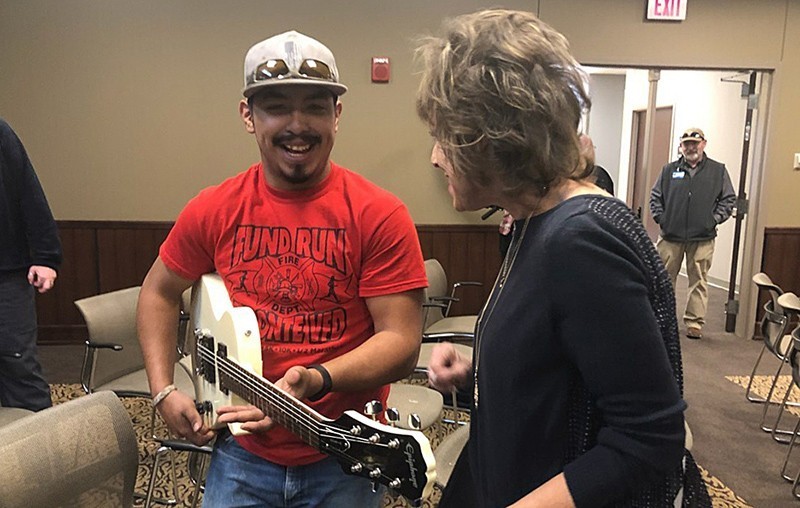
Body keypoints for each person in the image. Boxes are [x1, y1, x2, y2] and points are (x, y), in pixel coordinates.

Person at [416, 9, 710, 507]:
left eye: (444, 137)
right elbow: (570, 376)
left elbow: (649, 438)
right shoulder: (535, 220)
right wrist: (481, 374)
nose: (435, 157)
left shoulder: (581, 239)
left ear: (493, 139)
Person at [136, 30, 427, 507]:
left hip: (343, 453)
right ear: (248, 115)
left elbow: (400, 342)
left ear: (337, 115)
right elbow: (158, 292)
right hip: (241, 452)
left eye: (315, 107)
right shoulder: (214, 208)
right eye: (276, 107)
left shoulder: (379, 214)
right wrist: (163, 389)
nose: (298, 125)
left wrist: (313, 378)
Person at [650, 128, 735, 340]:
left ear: (703, 144)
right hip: (671, 236)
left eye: (694, 144)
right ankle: (663, 319)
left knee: (699, 280)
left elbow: (728, 199)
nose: (690, 148)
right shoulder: (669, 170)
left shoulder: (717, 171)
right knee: (664, 279)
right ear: (681, 146)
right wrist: (662, 219)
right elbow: (655, 197)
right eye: (686, 144)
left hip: (703, 237)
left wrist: (713, 220)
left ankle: (694, 322)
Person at [0, 118, 62, 412]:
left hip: (7, 276)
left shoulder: (1, 133)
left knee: (19, 367)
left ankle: (37, 441)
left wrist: (46, 257)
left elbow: (28, 191)